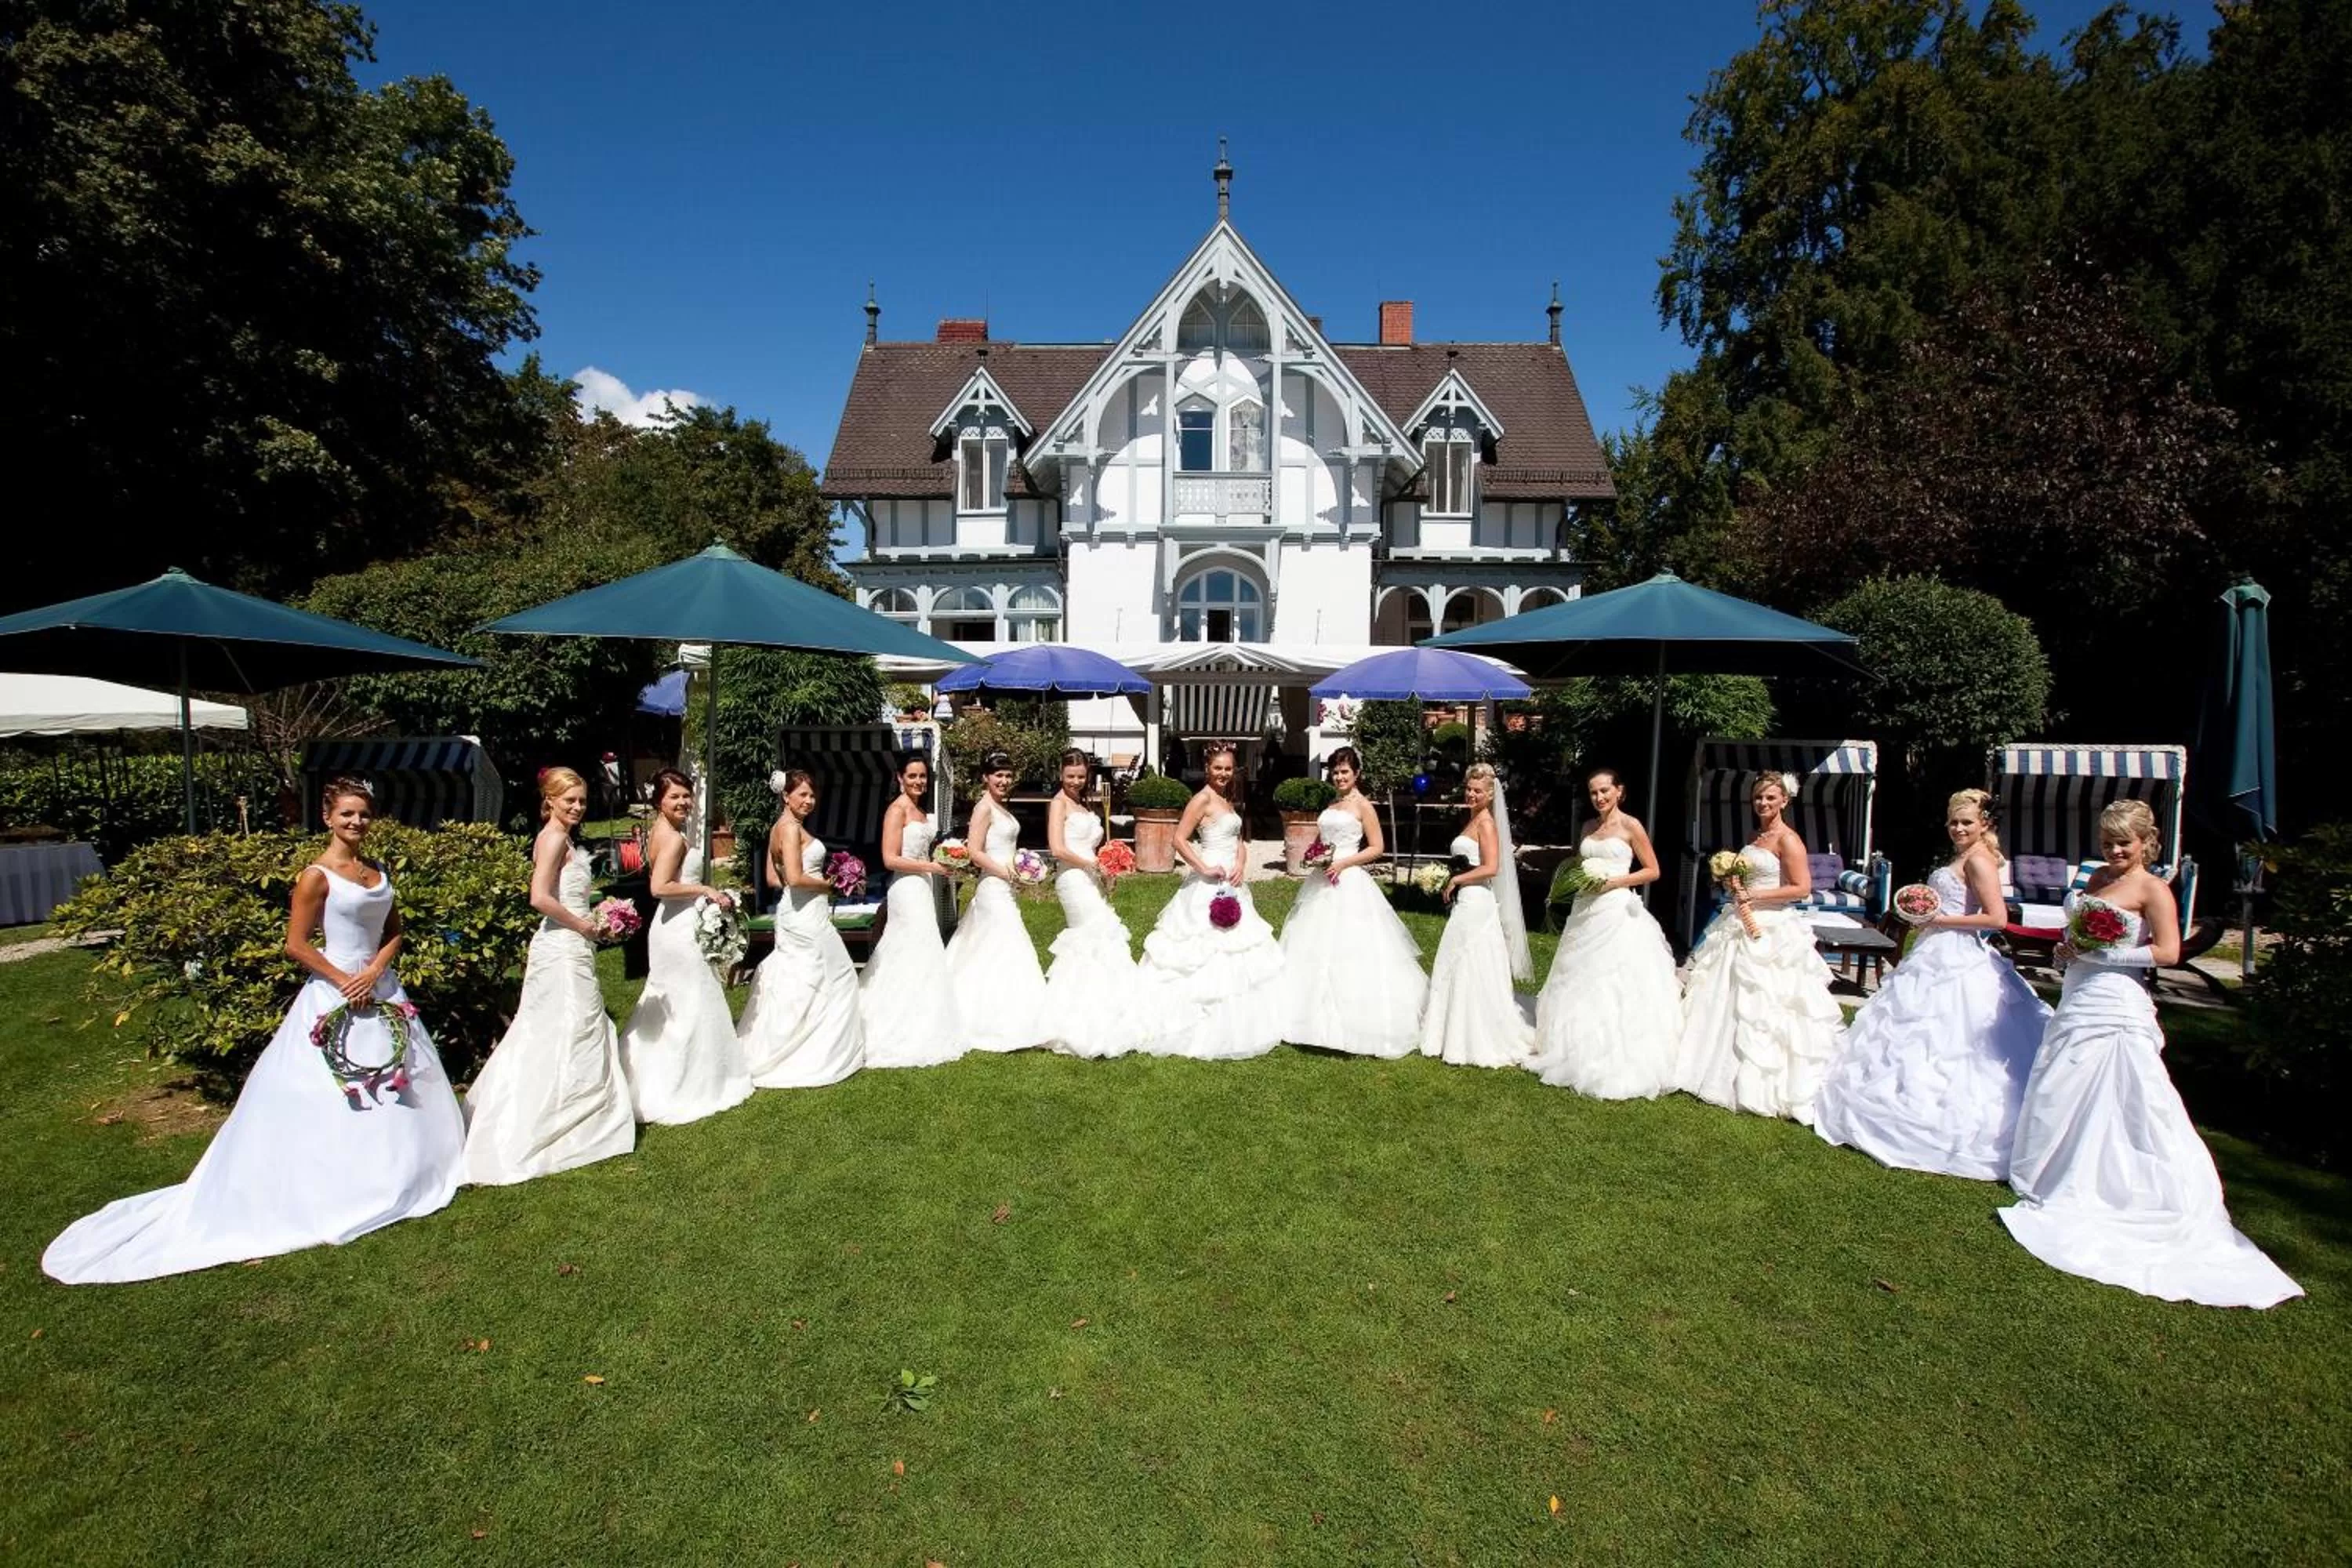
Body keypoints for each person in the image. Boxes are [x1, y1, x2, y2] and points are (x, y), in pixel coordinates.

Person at [44, 779, 466, 1283]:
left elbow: (394, 931)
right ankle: (344, 1187)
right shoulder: (315, 876)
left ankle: (415, 1171)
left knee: (403, 1079)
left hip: (380, 987)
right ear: (329, 818)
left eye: (364, 815)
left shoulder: (378, 872)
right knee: (333, 1091)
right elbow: (297, 944)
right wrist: (345, 982)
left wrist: (375, 972)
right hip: (336, 989)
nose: (357, 822)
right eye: (348, 814)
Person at [1998, 800, 2302, 1307]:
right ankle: (2048, 1169)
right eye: (2108, 842)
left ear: (2146, 843)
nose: (2115, 851)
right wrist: (2068, 950)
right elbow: (2075, 931)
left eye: (2124, 843)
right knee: (2061, 1080)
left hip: (2116, 1000)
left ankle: (2125, 1184)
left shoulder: (2154, 889)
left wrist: (2108, 954)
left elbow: (2169, 951)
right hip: (2078, 991)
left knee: (2126, 1093)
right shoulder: (2095, 882)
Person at [1813, 789, 2049, 1179]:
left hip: (1958, 957)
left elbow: (1996, 919)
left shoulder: (1980, 861)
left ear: (1984, 824)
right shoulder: (1962, 858)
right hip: (1934, 949)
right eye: (1954, 822)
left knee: (1949, 1040)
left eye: (1967, 822)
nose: (1958, 828)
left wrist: (1940, 921)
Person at [461, 767, 636, 1185]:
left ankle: (580, 1116)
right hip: (562, 946)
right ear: (549, 801)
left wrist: (600, 915)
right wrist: (584, 925)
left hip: (570, 945)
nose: (577, 807)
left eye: (581, 801)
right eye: (569, 801)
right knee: (568, 1028)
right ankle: (549, 1122)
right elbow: (538, 897)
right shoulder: (554, 838)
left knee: (564, 1028)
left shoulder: (560, 838)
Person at [1672, 771, 1846, 1123]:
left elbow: (1801, 888)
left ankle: (1761, 1080)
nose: (1763, 804)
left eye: (1770, 798)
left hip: (1771, 925)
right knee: (1723, 991)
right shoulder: (1755, 836)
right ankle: (1705, 1065)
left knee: (1765, 1000)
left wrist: (1756, 895)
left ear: (1785, 800)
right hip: (1741, 917)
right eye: (1758, 798)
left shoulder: (1789, 840)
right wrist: (1731, 880)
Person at [1525, 767, 1683, 1099]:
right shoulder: (1587, 827)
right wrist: (1572, 885)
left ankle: (1612, 1052)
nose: (1599, 798)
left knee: (1612, 979)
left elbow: (1653, 870)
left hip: (1616, 911)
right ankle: (1570, 1044)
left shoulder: (1631, 826)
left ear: (1619, 791)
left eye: (1605, 791)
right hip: (1585, 910)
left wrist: (1613, 882)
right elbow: (1577, 864)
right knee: (1578, 975)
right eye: (1594, 792)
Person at [617, 768, 754, 1123]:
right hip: (676, 929)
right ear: (659, 801)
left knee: (677, 1001)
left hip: (671, 926)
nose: (682, 802)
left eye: (686, 795)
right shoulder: (674, 838)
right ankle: (688, 1083)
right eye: (674, 796)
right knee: (691, 1000)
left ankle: (657, 1078)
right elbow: (659, 886)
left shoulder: (661, 831)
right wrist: (706, 890)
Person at [1135, 743, 1287, 1060]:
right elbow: (1178, 838)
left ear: (1235, 770)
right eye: (1218, 768)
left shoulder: (1229, 800)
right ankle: (1197, 1021)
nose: (1223, 774)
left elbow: (1238, 841)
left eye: (1228, 769)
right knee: (1205, 948)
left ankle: (1243, 1018)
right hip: (1208, 882)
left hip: (1232, 881)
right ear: (1208, 769)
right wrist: (1203, 867)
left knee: (1239, 948)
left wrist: (1241, 866)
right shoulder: (1202, 798)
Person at [1276, 746, 1428, 1056]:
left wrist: (1343, 864)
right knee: (1312, 944)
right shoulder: (1332, 803)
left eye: (1345, 772)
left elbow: (1377, 847)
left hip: (1349, 879)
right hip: (1323, 878)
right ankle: (1306, 1020)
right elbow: (1323, 840)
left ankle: (1357, 1024)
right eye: (1335, 772)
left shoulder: (1364, 806)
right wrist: (1316, 854)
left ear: (1357, 773)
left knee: (1352, 948)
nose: (1339, 777)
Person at [738, 771, 866, 1087]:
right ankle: (819, 1053)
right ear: (786, 796)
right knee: (837, 975)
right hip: (807, 915)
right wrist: (832, 885)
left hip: (791, 912)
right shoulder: (791, 829)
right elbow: (794, 878)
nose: (809, 801)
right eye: (802, 795)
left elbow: (772, 879)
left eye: (811, 795)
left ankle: (794, 1043)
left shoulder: (776, 829)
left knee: (802, 978)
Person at [1419, 763, 1535, 1067]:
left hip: (1477, 901)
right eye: (1469, 789)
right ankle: (1450, 1028)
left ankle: (1477, 1030)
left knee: (1469, 958)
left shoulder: (1486, 823)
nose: (1471, 795)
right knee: (1456, 958)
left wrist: (1458, 879)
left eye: (1478, 791)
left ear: (1490, 794)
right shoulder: (1471, 819)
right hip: (1466, 900)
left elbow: (1492, 867)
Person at [1041, 749, 1149, 1058]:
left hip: (1093, 877)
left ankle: (1107, 1010)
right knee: (1092, 936)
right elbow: (1058, 849)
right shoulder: (1058, 804)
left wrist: (1108, 867)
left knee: (1103, 937)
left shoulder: (1083, 803)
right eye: (1070, 775)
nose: (1076, 781)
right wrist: (1092, 865)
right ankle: (1074, 1019)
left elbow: (1092, 845)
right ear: (1061, 774)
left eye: (1081, 775)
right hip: (1073, 881)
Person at [859, 752, 964, 1069]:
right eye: (912, 776)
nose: (919, 782)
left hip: (922, 886)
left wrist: (946, 859)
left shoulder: (920, 810)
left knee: (922, 952)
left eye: (922, 776)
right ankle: (895, 1020)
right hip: (906, 888)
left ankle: (923, 1014)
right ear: (900, 779)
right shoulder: (897, 810)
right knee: (908, 949)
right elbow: (890, 858)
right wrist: (930, 866)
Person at [942, 751, 1048, 1052]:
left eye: (1008, 775)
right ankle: (996, 1020)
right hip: (993, 887)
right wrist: (1006, 872)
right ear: (986, 778)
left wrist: (1023, 869)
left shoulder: (1002, 808)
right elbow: (975, 851)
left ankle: (1008, 1012)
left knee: (993, 949)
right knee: (1008, 944)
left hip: (1007, 885)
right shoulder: (983, 808)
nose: (1004, 781)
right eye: (998, 775)